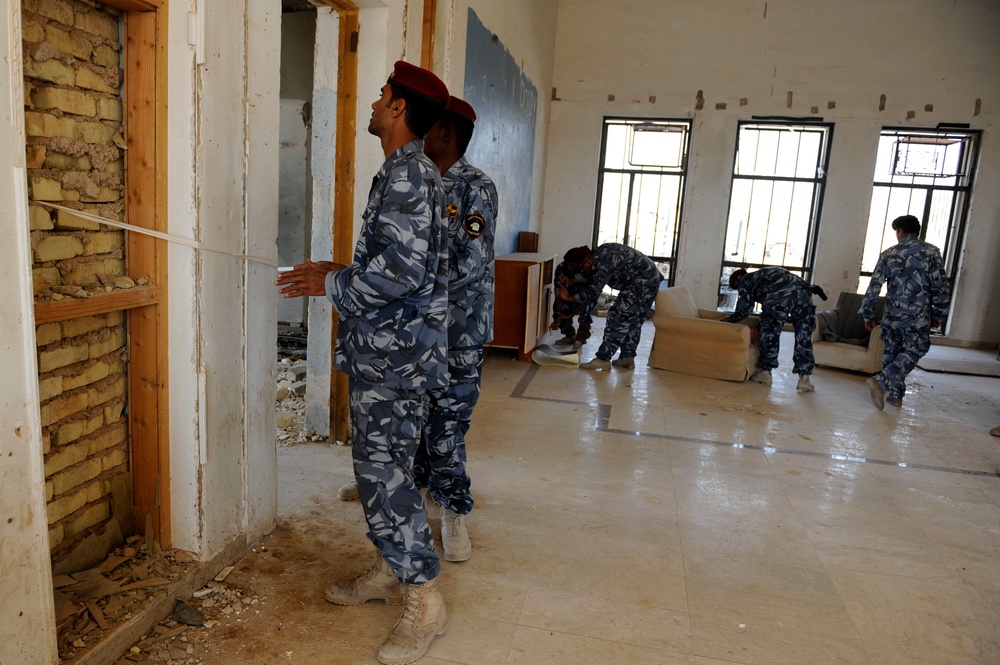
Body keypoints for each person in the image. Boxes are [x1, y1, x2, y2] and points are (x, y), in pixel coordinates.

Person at [275, 61, 450, 665]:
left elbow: (400, 274)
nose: (374, 104)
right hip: (396, 351)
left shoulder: (406, 176)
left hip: (394, 357)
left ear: (399, 109)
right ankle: (390, 567)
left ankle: (422, 597)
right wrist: (335, 272)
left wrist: (334, 286)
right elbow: (399, 264)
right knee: (390, 468)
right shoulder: (406, 172)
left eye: (381, 96)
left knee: (383, 473)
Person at [338, 97, 498, 564]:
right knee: (406, 423)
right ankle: (401, 487)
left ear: (446, 132)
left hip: (456, 333)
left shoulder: (474, 189)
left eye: (432, 126)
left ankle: (452, 508)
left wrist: (413, 272)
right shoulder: (414, 177)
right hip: (415, 332)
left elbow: (470, 264)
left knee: (446, 427)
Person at [860, 214, 951, 410]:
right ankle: (882, 382)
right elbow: (940, 287)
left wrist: (867, 314)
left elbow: (874, 286)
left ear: (900, 231)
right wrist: (939, 314)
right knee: (917, 348)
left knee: (892, 352)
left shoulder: (889, 254)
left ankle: (896, 396)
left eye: (896, 232)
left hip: (892, 316)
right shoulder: (931, 252)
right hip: (917, 317)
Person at [558, 243, 662, 370]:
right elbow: (590, 273)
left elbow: (593, 291)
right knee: (634, 321)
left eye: (581, 268)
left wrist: (569, 297)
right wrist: (572, 281)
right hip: (651, 279)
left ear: (587, 261)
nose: (581, 272)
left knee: (618, 318)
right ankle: (627, 358)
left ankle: (603, 359)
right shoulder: (600, 254)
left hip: (640, 283)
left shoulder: (604, 263)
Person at [726, 267, 827, 392]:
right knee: (804, 334)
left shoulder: (745, 281)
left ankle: (765, 373)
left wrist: (728, 321)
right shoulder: (765, 273)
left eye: (736, 287)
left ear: (739, 278)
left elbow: (744, 310)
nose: (739, 290)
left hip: (779, 294)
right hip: (803, 291)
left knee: (770, 331)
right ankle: (804, 379)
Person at [549, 259, 597, 347]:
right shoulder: (561, 268)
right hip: (569, 295)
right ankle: (570, 335)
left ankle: (581, 337)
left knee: (586, 312)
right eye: (568, 265)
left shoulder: (588, 271)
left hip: (585, 298)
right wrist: (558, 316)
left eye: (573, 266)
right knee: (559, 310)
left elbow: (586, 299)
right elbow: (558, 296)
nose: (569, 268)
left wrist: (570, 315)